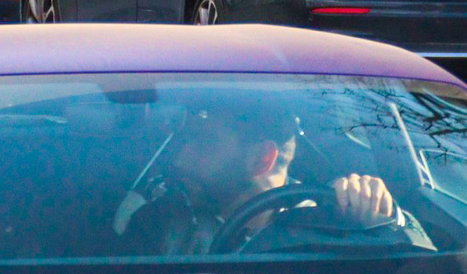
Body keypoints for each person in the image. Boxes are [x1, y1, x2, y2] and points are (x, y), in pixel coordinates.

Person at [114, 95, 415, 258]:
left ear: (262, 159)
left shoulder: (329, 221)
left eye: (206, 144)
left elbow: (415, 264)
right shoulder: (160, 223)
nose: (183, 158)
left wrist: (379, 214)